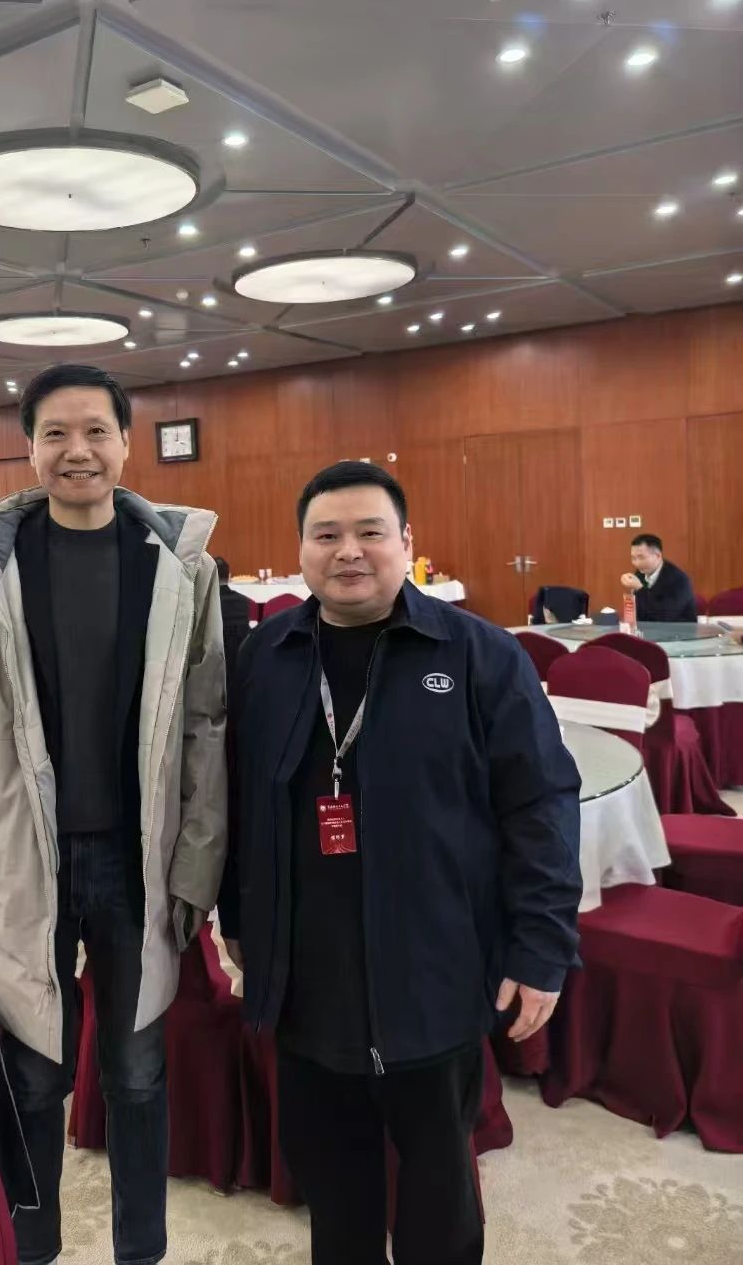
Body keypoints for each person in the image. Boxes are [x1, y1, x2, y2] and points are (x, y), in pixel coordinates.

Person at [0, 362, 227, 1265]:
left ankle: (140, 1251)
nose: (77, 451)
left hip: (139, 858)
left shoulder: (181, 568)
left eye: (95, 432)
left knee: (139, 1073)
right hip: (17, 857)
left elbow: (208, 724)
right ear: (30, 448)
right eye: (56, 433)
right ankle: (31, 1247)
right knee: (32, 1076)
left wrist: (198, 863)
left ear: (126, 443)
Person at [220, 461, 581, 1265]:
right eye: (327, 535)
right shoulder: (267, 655)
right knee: (333, 1190)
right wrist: (239, 920)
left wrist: (542, 948)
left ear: (407, 542)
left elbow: (541, 805)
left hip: (435, 972)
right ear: (301, 548)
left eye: (370, 532)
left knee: (439, 1190)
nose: (348, 551)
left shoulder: (480, 654)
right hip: (306, 978)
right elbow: (240, 801)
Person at [621, 533, 698, 623]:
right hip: (647, 629)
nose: (637, 563)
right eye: (633, 558)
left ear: (658, 556)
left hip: (678, 630)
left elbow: (664, 617)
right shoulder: (641, 573)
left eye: (641, 557)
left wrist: (639, 589)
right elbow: (640, 611)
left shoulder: (678, 579)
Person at [214, 555, 252, 694]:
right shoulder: (243, 601)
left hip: (215, 667)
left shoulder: (207, 603)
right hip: (240, 665)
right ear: (229, 576)